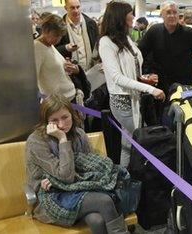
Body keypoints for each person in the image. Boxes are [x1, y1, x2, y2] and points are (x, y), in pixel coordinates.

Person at [26, 94, 130, 233]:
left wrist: (55, 179)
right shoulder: (37, 141)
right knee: (104, 201)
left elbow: (94, 168)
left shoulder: (79, 134)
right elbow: (66, 176)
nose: (61, 125)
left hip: (80, 189)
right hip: (50, 197)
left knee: (97, 220)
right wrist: (62, 139)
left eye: (65, 117)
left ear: (72, 114)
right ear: (46, 122)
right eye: (54, 120)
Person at [99, 1, 165, 167]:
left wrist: (143, 79)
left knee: (128, 142)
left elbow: (131, 71)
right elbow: (117, 77)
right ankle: (134, 178)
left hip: (134, 98)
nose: (133, 16)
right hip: (122, 100)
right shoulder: (106, 42)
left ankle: (127, 179)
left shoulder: (126, 38)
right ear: (120, 16)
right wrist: (150, 88)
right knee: (137, 141)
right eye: (130, 13)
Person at [138, 1, 192, 94]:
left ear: (179, 15)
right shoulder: (154, 31)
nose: (172, 15)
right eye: (168, 12)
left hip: (183, 83)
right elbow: (141, 52)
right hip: (160, 83)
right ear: (161, 14)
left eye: (175, 12)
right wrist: (147, 73)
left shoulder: (189, 33)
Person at [34, 14, 89, 103]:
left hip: (69, 97)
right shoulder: (37, 47)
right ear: (45, 31)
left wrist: (70, 67)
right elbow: (33, 80)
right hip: (57, 102)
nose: (58, 39)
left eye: (60, 36)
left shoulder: (49, 45)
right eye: (55, 35)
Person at [56, 0, 99, 71]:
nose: (76, 10)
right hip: (70, 72)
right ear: (66, 8)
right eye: (72, 8)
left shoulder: (91, 24)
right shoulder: (60, 26)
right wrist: (66, 48)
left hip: (91, 69)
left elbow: (98, 45)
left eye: (78, 7)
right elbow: (54, 50)